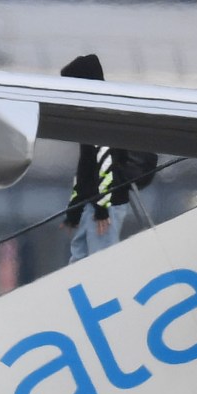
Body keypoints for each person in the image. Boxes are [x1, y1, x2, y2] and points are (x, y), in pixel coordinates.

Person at [61, 54, 132, 261]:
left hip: (105, 203)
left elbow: (106, 161)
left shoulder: (101, 114)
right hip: (92, 203)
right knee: (80, 262)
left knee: (100, 264)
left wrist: (102, 208)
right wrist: (74, 209)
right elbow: (85, 167)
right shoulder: (88, 115)